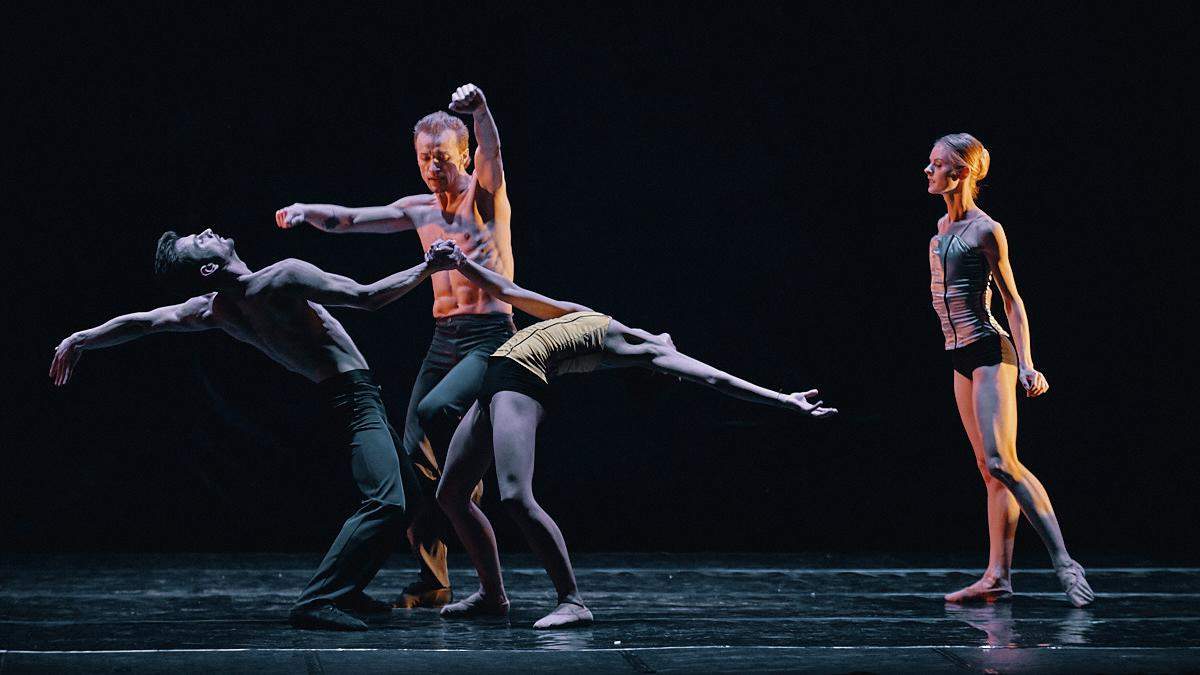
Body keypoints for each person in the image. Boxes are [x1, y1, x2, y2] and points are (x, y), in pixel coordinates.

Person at [50, 230, 459, 630]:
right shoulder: (282, 276)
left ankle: (348, 591)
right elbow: (366, 297)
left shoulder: (216, 309)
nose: (207, 231)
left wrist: (82, 338)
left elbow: (145, 322)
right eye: (199, 241)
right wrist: (428, 266)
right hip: (353, 397)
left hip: (342, 397)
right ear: (208, 268)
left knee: (407, 501)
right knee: (387, 503)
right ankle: (318, 600)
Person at [430, 242, 837, 628]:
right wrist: (462, 261)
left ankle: (572, 601)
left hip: (520, 382)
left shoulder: (646, 349)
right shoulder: (588, 316)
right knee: (451, 493)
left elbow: (716, 378)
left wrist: (783, 400)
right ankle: (492, 596)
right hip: (496, 376)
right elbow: (510, 291)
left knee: (516, 496)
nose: (671, 341)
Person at [275, 83, 512, 608]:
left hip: (489, 336)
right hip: (443, 339)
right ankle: (434, 577)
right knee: (410, 463)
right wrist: (305, 210)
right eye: (424, 158)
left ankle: (467, 478)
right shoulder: (419, 209)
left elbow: (493, 152)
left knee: (434, 411)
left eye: (442, 157)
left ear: (463, 156)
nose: (432, 167)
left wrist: (480, 109)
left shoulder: (485, 197)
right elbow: (354, 218)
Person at [925, 133, 1094, 607]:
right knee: (988, 470)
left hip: (989, 350)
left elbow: (1012, 301)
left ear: (961, 172)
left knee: (1003, 461)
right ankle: (997, 576)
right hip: (958, 355)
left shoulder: (986, 229)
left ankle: (1065, 561)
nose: (928, 170)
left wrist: (1027, 364)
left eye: (937, 164)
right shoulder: (941, 226)